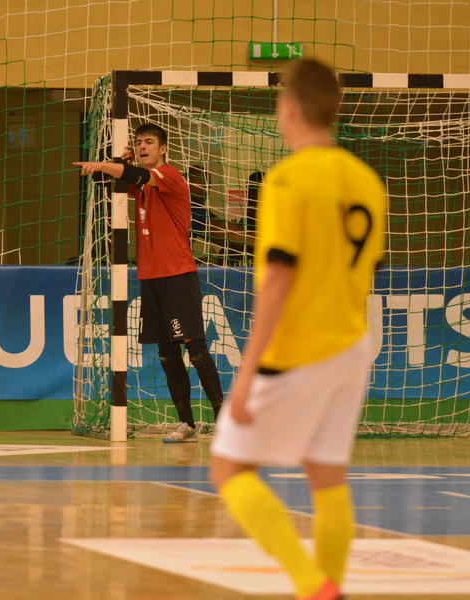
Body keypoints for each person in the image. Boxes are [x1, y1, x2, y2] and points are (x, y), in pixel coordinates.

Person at [210, 58, 387, 600]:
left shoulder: (288, 179)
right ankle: (329, 588)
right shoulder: (366, 181)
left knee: (228, 468)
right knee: (326, 475)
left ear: (287, 108)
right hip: (352, 343)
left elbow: (279, 281)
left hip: (298, 345)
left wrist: (245, 373)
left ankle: (311, 584)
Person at [74, 124, 224, 443]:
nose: (143, 147)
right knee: (167, 354)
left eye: (150, 142)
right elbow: (107, 180)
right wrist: (113, 163)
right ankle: (187, 425)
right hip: (150, 278)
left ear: (163, 148)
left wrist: (109, 164)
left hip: (177, 275)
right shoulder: (141, 185)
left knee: (195, 348)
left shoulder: (169, 175)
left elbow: (135, 175)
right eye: (139, 142)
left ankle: (226, 424)